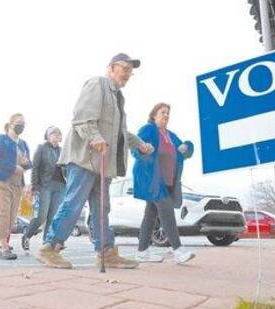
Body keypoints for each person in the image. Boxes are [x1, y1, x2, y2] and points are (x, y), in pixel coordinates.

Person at [37, 53, 154, 269]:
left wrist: (139, 143)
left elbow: (120, 133)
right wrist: (96, 138)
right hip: (85, 159)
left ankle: (106, 251)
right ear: (111, 68)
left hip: (103, 163)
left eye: (130, 71)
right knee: (74, 203)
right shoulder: (97, 84)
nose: (128, 74)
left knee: (102, 208)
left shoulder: (118, 97)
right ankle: (49, 247)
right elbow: (81, 118)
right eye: (124, 68)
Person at [132, 103, 195, 263]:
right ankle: (178, 250)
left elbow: (186, 151)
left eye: (168, 113)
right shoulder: (148, 129)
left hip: (168, 181)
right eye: (163, 112)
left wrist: (186, 147)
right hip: (151, 179)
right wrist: (143, 149)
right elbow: (135, 148)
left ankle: (142, 252)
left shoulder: (171, 135)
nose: (166, 115)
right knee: (166, 210)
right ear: (154, 115)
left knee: (150, 215)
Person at [0, 113, 31, 260]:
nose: (21, 125)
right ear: (10, 124)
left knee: (10, 215)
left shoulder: (23, 144)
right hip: (0, 181)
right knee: (3, 212)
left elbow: (29, 163)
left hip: (17, 184)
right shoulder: (1, 140)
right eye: (18, 122)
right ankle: (4, 248)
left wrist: (26, 163)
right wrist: (13, 167)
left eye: (23, 123)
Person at [21, 126, 66, 251]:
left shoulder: (63, 151)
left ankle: (47, 246)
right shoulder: (41, 148)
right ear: (47, 136)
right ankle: (27, 235)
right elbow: (35, 168)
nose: (56, 136)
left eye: (58, 134)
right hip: (45, 185)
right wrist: (34, 187)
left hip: (60, 186)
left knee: (53, 217)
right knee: (41, 217)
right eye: (53, 133)